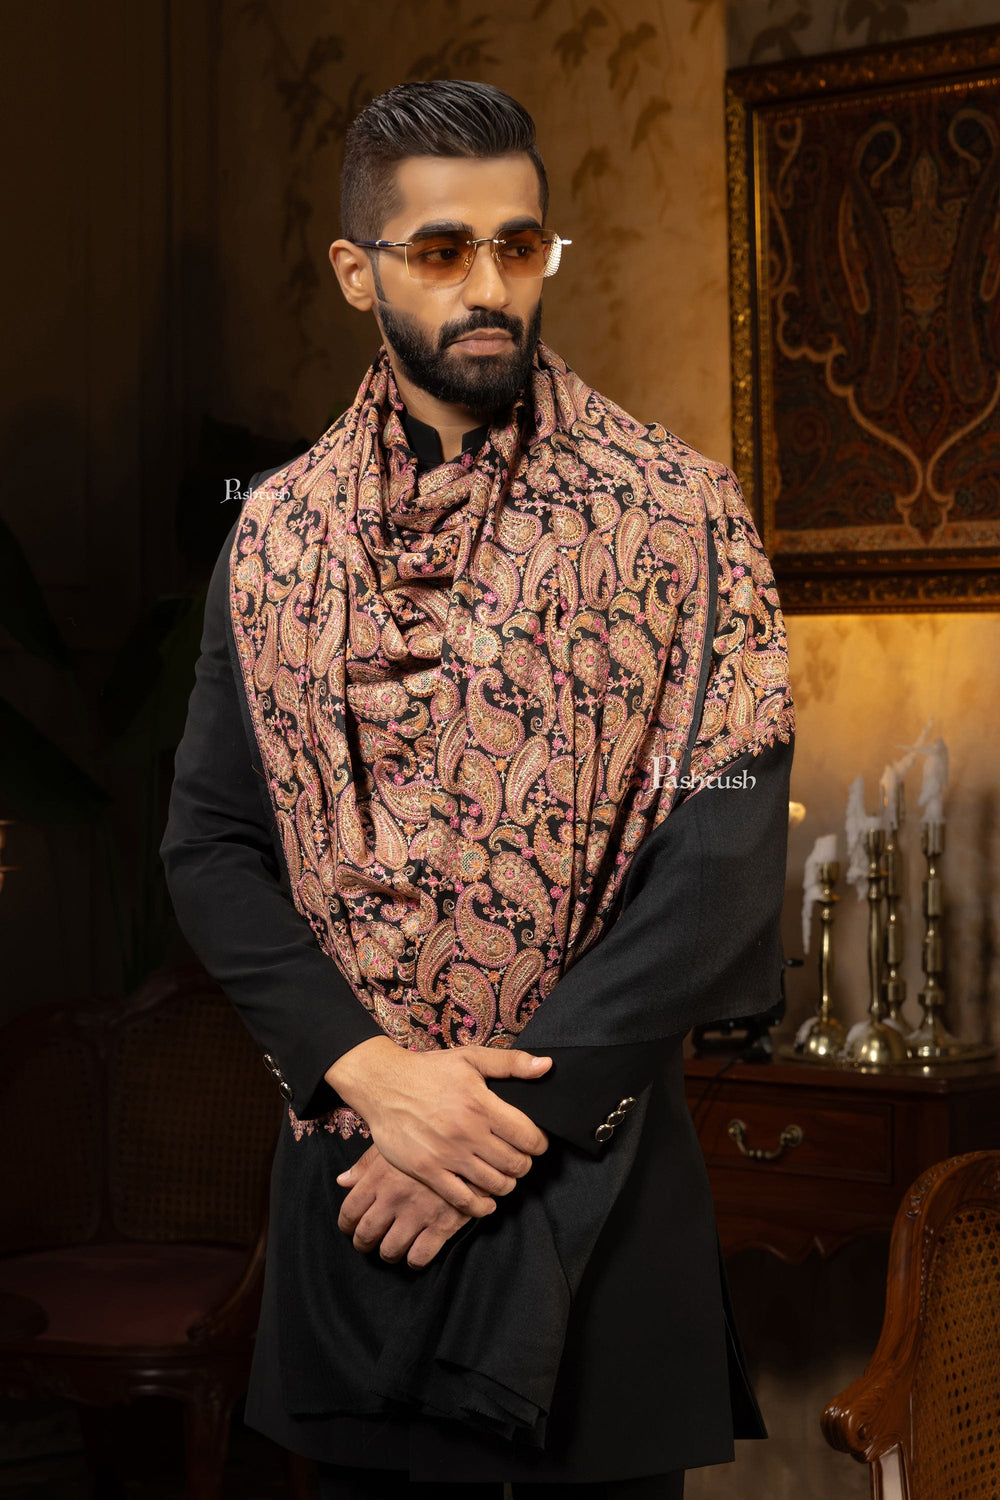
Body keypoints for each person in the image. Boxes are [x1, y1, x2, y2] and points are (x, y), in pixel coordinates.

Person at [161, 79, 794, 1500]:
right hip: (362, 1193)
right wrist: (375, 1077)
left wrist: (489, 1126)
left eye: (519, 245)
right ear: (358, 271)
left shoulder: (675, 515)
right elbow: (209, 848)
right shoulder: (275, 540)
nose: (492, 286)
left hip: (596, 1189)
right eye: (444, 251)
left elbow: (721, 859)